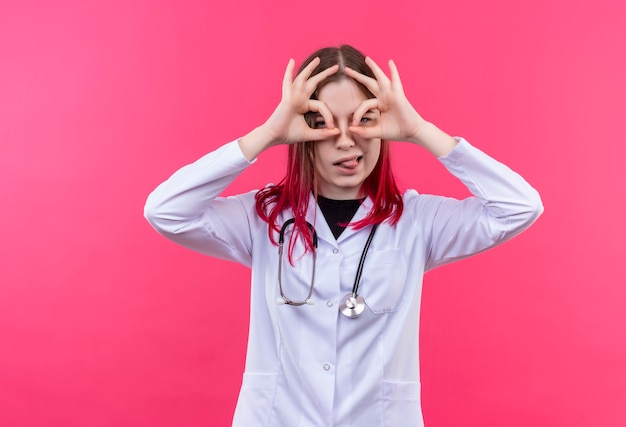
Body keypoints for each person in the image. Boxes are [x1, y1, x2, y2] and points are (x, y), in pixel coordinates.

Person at [144, 45, 543, 427]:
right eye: (322, 123)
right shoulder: (264, 218)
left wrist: (420, 130)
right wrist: (267, 133)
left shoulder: (418, 221)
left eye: (362, 119)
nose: (345, 139)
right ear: (300, 130)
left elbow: (520, 206)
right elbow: (165, 211)